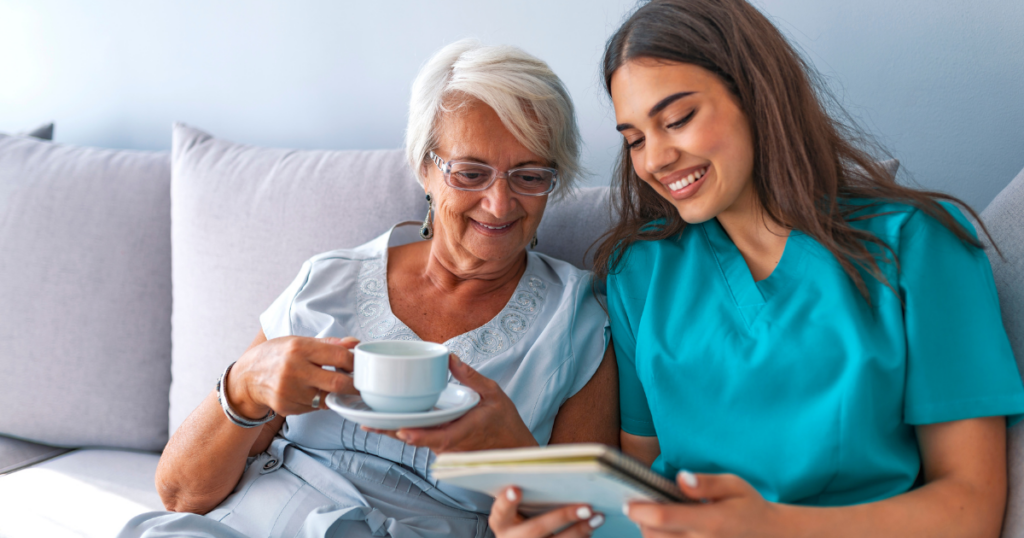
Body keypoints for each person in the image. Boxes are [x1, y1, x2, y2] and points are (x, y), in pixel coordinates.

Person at [488, 1, 1024, 537]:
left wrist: (770, 525)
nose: (654, 159)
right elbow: (644, 492)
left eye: (677, 120)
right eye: (635, 139)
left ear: (756, 96)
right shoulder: (640, 271)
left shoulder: (917, 244)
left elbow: (970, 507)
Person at [119, 39, 617, 538]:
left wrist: (512, 453)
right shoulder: (328, 281)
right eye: (470, 173)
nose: (500, 202)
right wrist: (244, 384)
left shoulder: (578, 322)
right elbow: (182, 494)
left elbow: (583, 527)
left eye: (529, 176)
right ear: (425, 167)